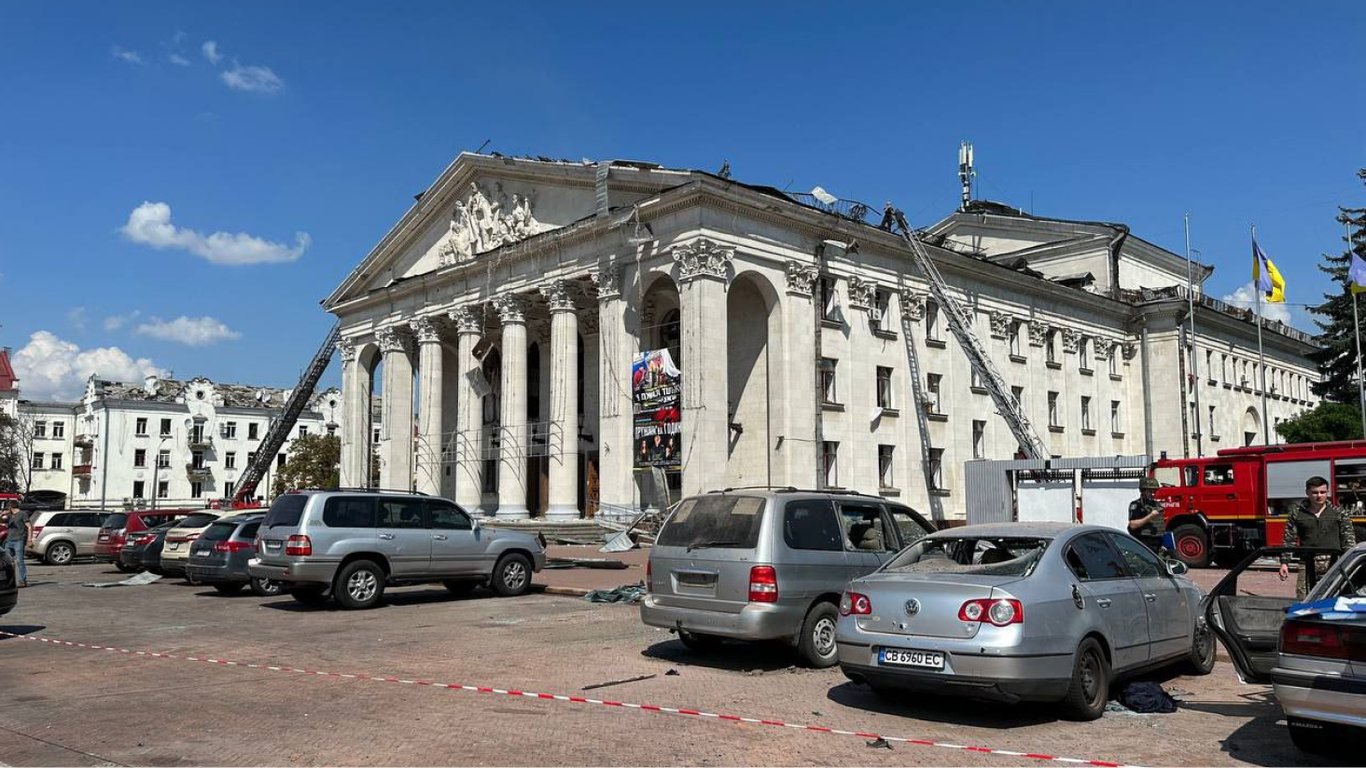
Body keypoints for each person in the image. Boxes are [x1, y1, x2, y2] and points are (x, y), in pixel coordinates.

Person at [1279, 475, 1357, 599]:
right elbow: (1289, 539)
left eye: (1322, 492)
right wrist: (1284, 563)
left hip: (1334, 562)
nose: (1319, 495)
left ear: (1327, 492)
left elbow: (1348, 540)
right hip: (1307, 563)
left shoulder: (1339, 513)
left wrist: (1349, 563)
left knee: (1335, 597)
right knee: (1304, 598)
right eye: (1315, 492)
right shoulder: (1297, 513)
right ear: (1307, 493)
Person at [1128, 477, 1166, 553]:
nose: (1152, 493)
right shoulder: (1137, 505)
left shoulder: (1156, 505)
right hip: (1143, 542)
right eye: (1150, 491)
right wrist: (1151, 516)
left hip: (1157, 542)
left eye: (1154, 491)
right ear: (1143, 490)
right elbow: (1132, 525)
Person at [3, 501, 30, 587]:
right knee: (7, 561)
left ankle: (22, 581)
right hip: (9, 541)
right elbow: (2, 521)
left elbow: (29, 526)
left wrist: (30, 539)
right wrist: (2, 514)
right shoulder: (10, 516)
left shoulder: (22, 514)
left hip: (19, 540)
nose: (7, 509)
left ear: (10, 507)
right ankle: (9, 580)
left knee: (19, 561)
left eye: (8, 507)